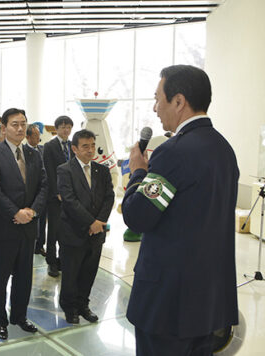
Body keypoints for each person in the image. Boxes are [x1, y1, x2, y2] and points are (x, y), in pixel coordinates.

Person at [122, 65, 239, 356]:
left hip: (167, 307)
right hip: (208, 303)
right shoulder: (224, 150)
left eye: (158, 98)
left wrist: (138, 172)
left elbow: (138, 217)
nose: (155, 107)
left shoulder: (174, 152)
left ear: (178, 101)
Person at [0, 108, 47, 340]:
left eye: (23, 124)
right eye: (14, 124)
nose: (20, 128)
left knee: (24, 276)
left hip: (28, 226)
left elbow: (43, 186)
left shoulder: (34, 154)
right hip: (3, 227)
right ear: (4, 128)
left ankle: (19, 316)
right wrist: (15, 212)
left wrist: (32, 210)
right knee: (0, 278)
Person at [57, 129, 114, 324]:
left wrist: (99, 222)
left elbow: (109, 197)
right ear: (74, 149)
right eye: (85, 146)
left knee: (89, 272)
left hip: (96, 234)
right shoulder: (65, 170)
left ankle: (83, 305)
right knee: (71, 274)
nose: (90, 151)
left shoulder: (102, 170)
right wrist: (91, 222)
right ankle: (69, 306)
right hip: (73, 232)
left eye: (92, 146)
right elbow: (70, 201)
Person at [42, 115, 74, 277]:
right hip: (55, 197)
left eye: (68, 127)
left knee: (66, 230)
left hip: (70, 196)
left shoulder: (73, 145)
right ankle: (51, 262)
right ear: (56, 129)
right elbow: (49, 171)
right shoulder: (50, 146)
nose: (66, 130)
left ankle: (63, 260)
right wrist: (57, 192)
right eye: (62, 127)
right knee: (53, 230)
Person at [26, 123, 47, 257]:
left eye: (39, 135)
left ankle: (40, 245)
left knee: (43, 219)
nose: (38, 138)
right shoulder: (23, 152)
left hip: (43, 191)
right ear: (28, 137)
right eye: (35, 135)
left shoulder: (43, 149)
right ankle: (32, 244)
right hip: (30, 193)